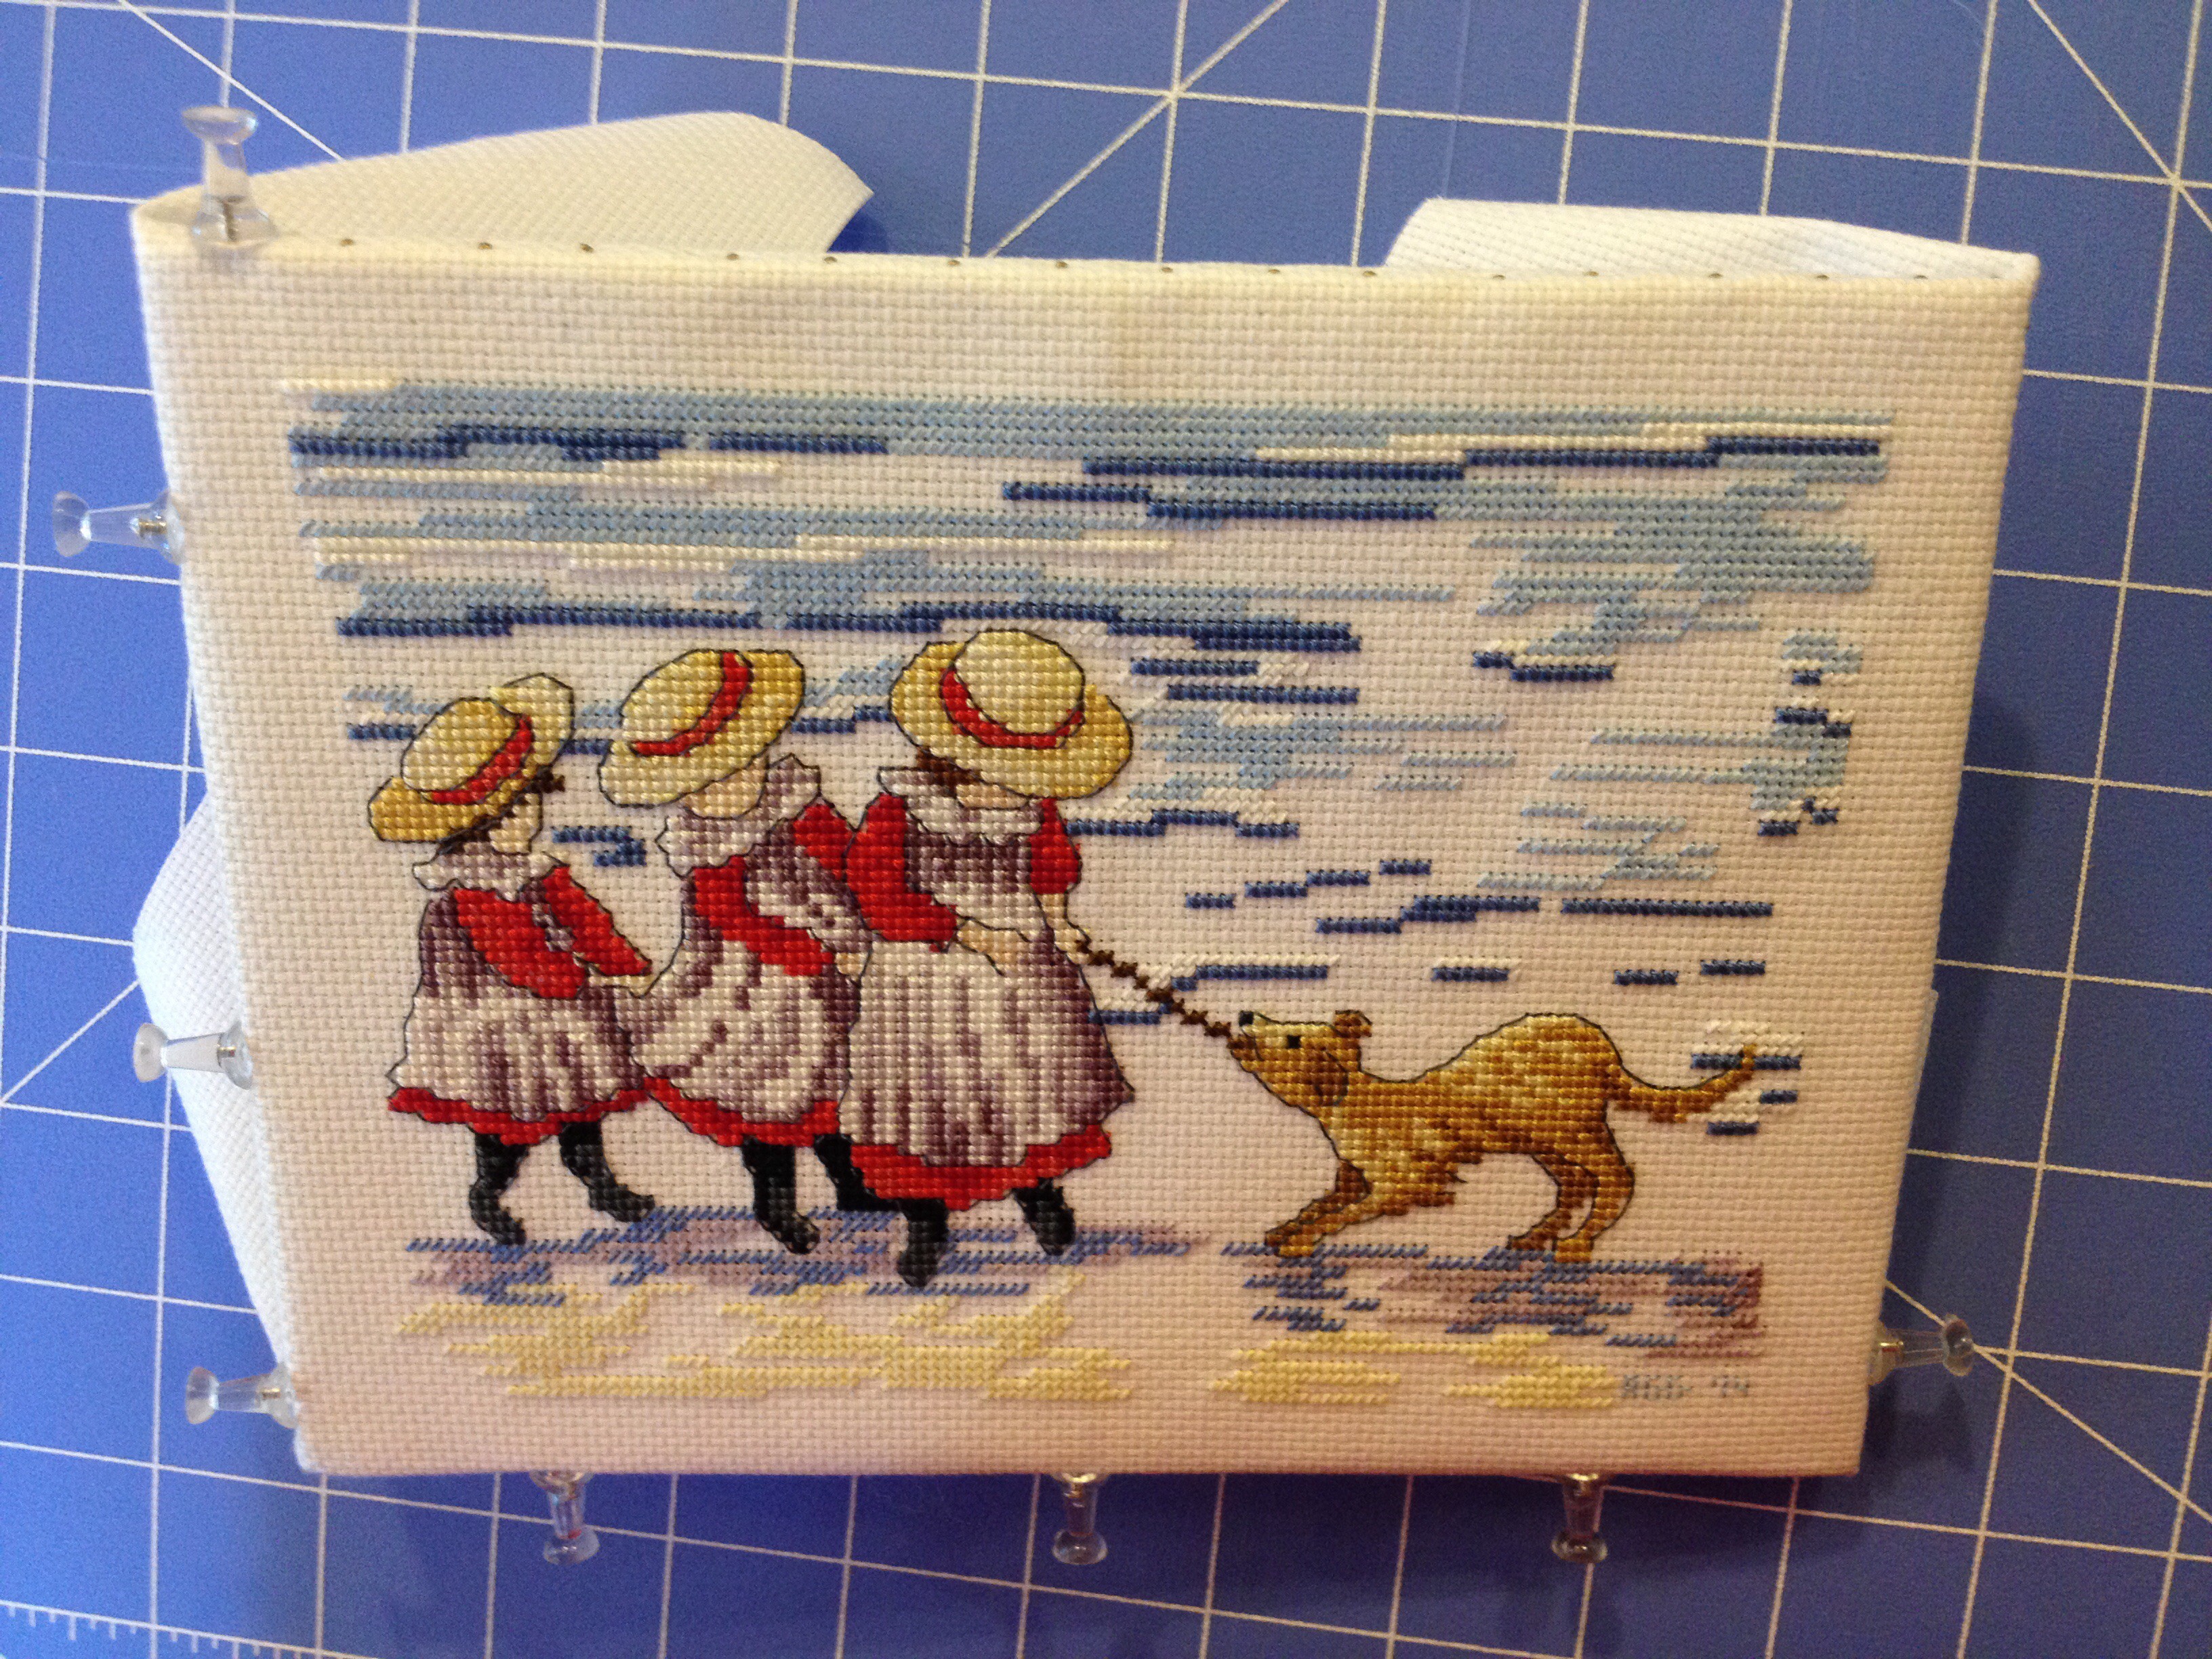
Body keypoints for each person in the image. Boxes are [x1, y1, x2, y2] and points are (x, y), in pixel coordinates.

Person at [844, 629, 1134, 1287]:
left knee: (1026, 1085)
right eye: (995, 775)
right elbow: (877, 890)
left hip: (1022, 969)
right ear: (952, 757)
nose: (1012, 793)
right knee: (933, 1094)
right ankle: (925, 1223)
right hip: (925, 977)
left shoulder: (1032, 806)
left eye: (1024, 778)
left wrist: (1060, 923)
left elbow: (1051, 866)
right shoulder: (902, 807)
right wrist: (965, 932)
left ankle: (1041, 1196)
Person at [601, 649, 882, 1252]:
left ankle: (854, 1185)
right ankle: (775, 1203)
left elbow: (848, 858)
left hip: (835, 969)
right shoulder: (708, 845)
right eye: (709, 782)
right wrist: (813, 956)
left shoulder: (795, 803)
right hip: (752, 993)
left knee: (839, 1084)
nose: (729, 787)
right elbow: (733, 917)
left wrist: (871, 914)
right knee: (767, 1094)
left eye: (741, 767)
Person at [369, 674, 655, 1247]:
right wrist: (577, 981)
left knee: (581, 1102)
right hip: (494, 1023)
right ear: (485, 821)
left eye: (532, 802)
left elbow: (583, 920)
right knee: (506, 1119)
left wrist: (626, 965)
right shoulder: (472, 885)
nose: (533, 817)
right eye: (520, 808)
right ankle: (488, 1192)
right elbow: (514, 953)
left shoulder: (534, 870)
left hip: (557, 1008)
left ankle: (598, 1182)